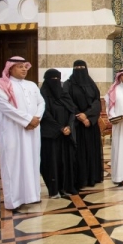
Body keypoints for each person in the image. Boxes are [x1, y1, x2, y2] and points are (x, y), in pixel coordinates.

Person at [0, 56, 45, 210]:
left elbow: (41, 102)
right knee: (13, 163)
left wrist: (37, 118)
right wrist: (28, 120)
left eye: (25, 66)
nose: (24, 69)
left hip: (32, 130)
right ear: (10, 68)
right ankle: (14, 200)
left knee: (32, 161)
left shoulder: (32, 85)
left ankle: (32, 195)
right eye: (20, 66)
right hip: (13, 132)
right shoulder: (0, 87)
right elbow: (6, 108)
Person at [63, 60, 103, 188]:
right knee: (79, 152)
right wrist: (80, 116)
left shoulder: (91, 84)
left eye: (82, 67)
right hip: (77, 125)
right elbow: (67, 102)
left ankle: (93, 177)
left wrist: (88, 117)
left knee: (91, 150)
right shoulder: (68, 85)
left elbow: (97, 102)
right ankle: (81, 179)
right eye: (77, 67)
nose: (80, 69)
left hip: (90, 125)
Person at [40, 69, 78, 198]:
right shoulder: (42, 96)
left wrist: (69, 126)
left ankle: (66, 187)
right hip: (51, 136)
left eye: (57, 78)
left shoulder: (64, 94)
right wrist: (59, 128)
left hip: (66, 135)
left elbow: (72, 110)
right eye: (52, 79)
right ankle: (54, 189)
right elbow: (45, 114)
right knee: (52, 162)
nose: (55, 81)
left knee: (66, 161)